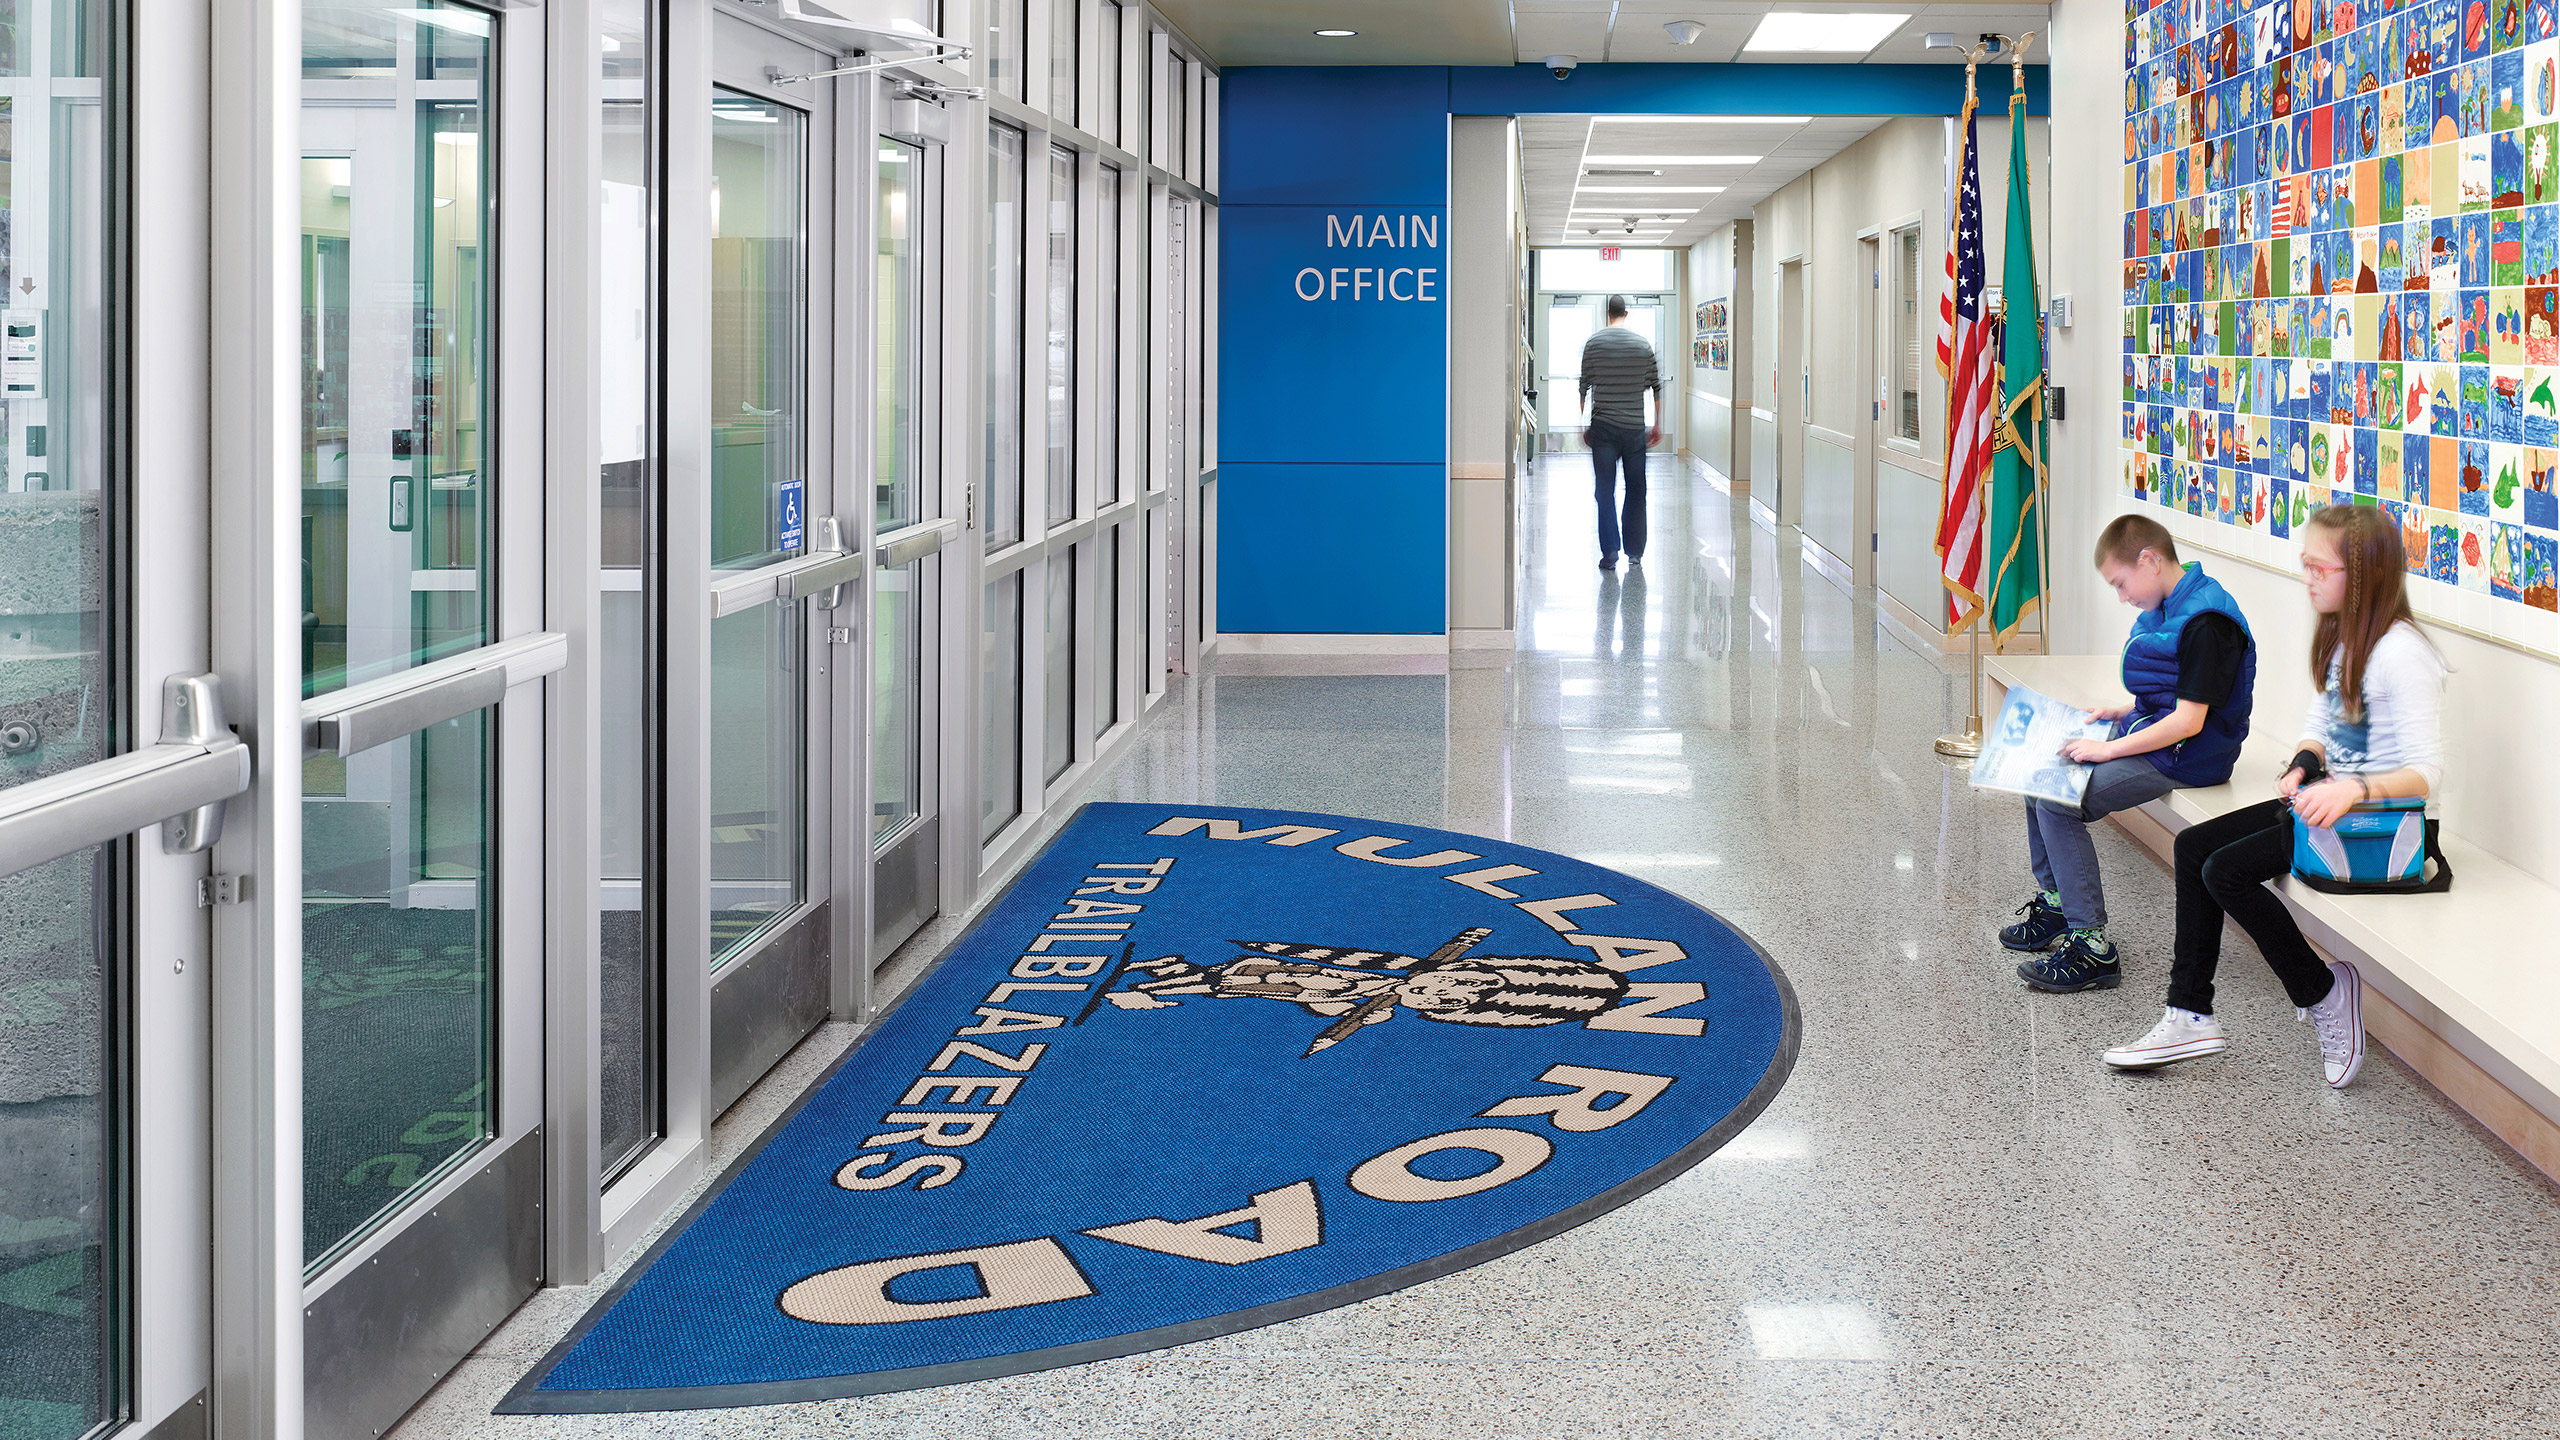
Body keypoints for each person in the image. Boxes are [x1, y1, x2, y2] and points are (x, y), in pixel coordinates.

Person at [2104, 504, 2445, 1088]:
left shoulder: (2403, 652)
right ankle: (2189, 1014)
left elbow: (2427, 773)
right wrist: (2304, 764)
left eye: (2320, 569)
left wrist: (2354, 788)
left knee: (2224, 871)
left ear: (2364, 574)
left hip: (2384, 829)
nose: (2307, 579)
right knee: (2192, 847)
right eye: (2306, 565)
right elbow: (2321, 726)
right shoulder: (2345, 639)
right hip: (2332, 809)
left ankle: (2323, 991)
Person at [2006, 514, 2257, 993]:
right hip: (2166, 738)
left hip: (2190, 757)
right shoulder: (2176, 603)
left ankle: (2092, 946)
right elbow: (2176, 697)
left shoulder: (2207, 622)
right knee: (2038, 773)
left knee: (2060, 800)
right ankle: (2058, 905)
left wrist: (2107, 750)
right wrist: (2119, 711)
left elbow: (2190, 722)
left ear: (2150, 560)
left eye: (2121, 584)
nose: (2122, 597)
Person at [1577, 294, 1660, 570]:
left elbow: (1584, 387)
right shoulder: (1643, 345)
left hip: (1603, 428)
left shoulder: (1593, 344)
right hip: (1634, 429)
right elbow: (1656, 387)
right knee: (1636, 489)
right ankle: (1635, 552)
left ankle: (1610, 551)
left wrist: (1583, 425)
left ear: (1607, 313)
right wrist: (1657, 424)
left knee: (1604, 490)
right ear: (1626, 313)